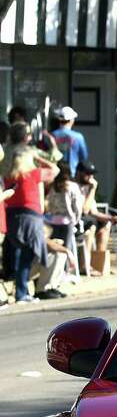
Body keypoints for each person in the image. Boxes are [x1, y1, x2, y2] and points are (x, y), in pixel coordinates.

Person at [2, 123, 56, 302]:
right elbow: (54, 169)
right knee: (30, 252)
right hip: (31, 213)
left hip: (11, 213)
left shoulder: (7, 173)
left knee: (18, 250)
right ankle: (22, 291)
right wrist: (40, 158)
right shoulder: (32, 173)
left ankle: (20, 290)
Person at [75, 161, 117, 275]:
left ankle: (99, 264)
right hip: (75, 222)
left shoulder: (87, 187)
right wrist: (93, 189)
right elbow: (85, 210)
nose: (90, 177)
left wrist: (110, 218)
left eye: (92, 174)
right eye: (87, 173)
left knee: (105, 225)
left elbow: (93, 212)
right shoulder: (75, 187)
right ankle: (85, 266)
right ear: (79, 173)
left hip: (87, 221)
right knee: (91, 228)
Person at [50, 106, 89, 176]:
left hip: (54, 174)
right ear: (71, 120)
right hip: (72, 174)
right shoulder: (78, 137)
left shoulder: (51, 135)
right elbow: (84, 156)